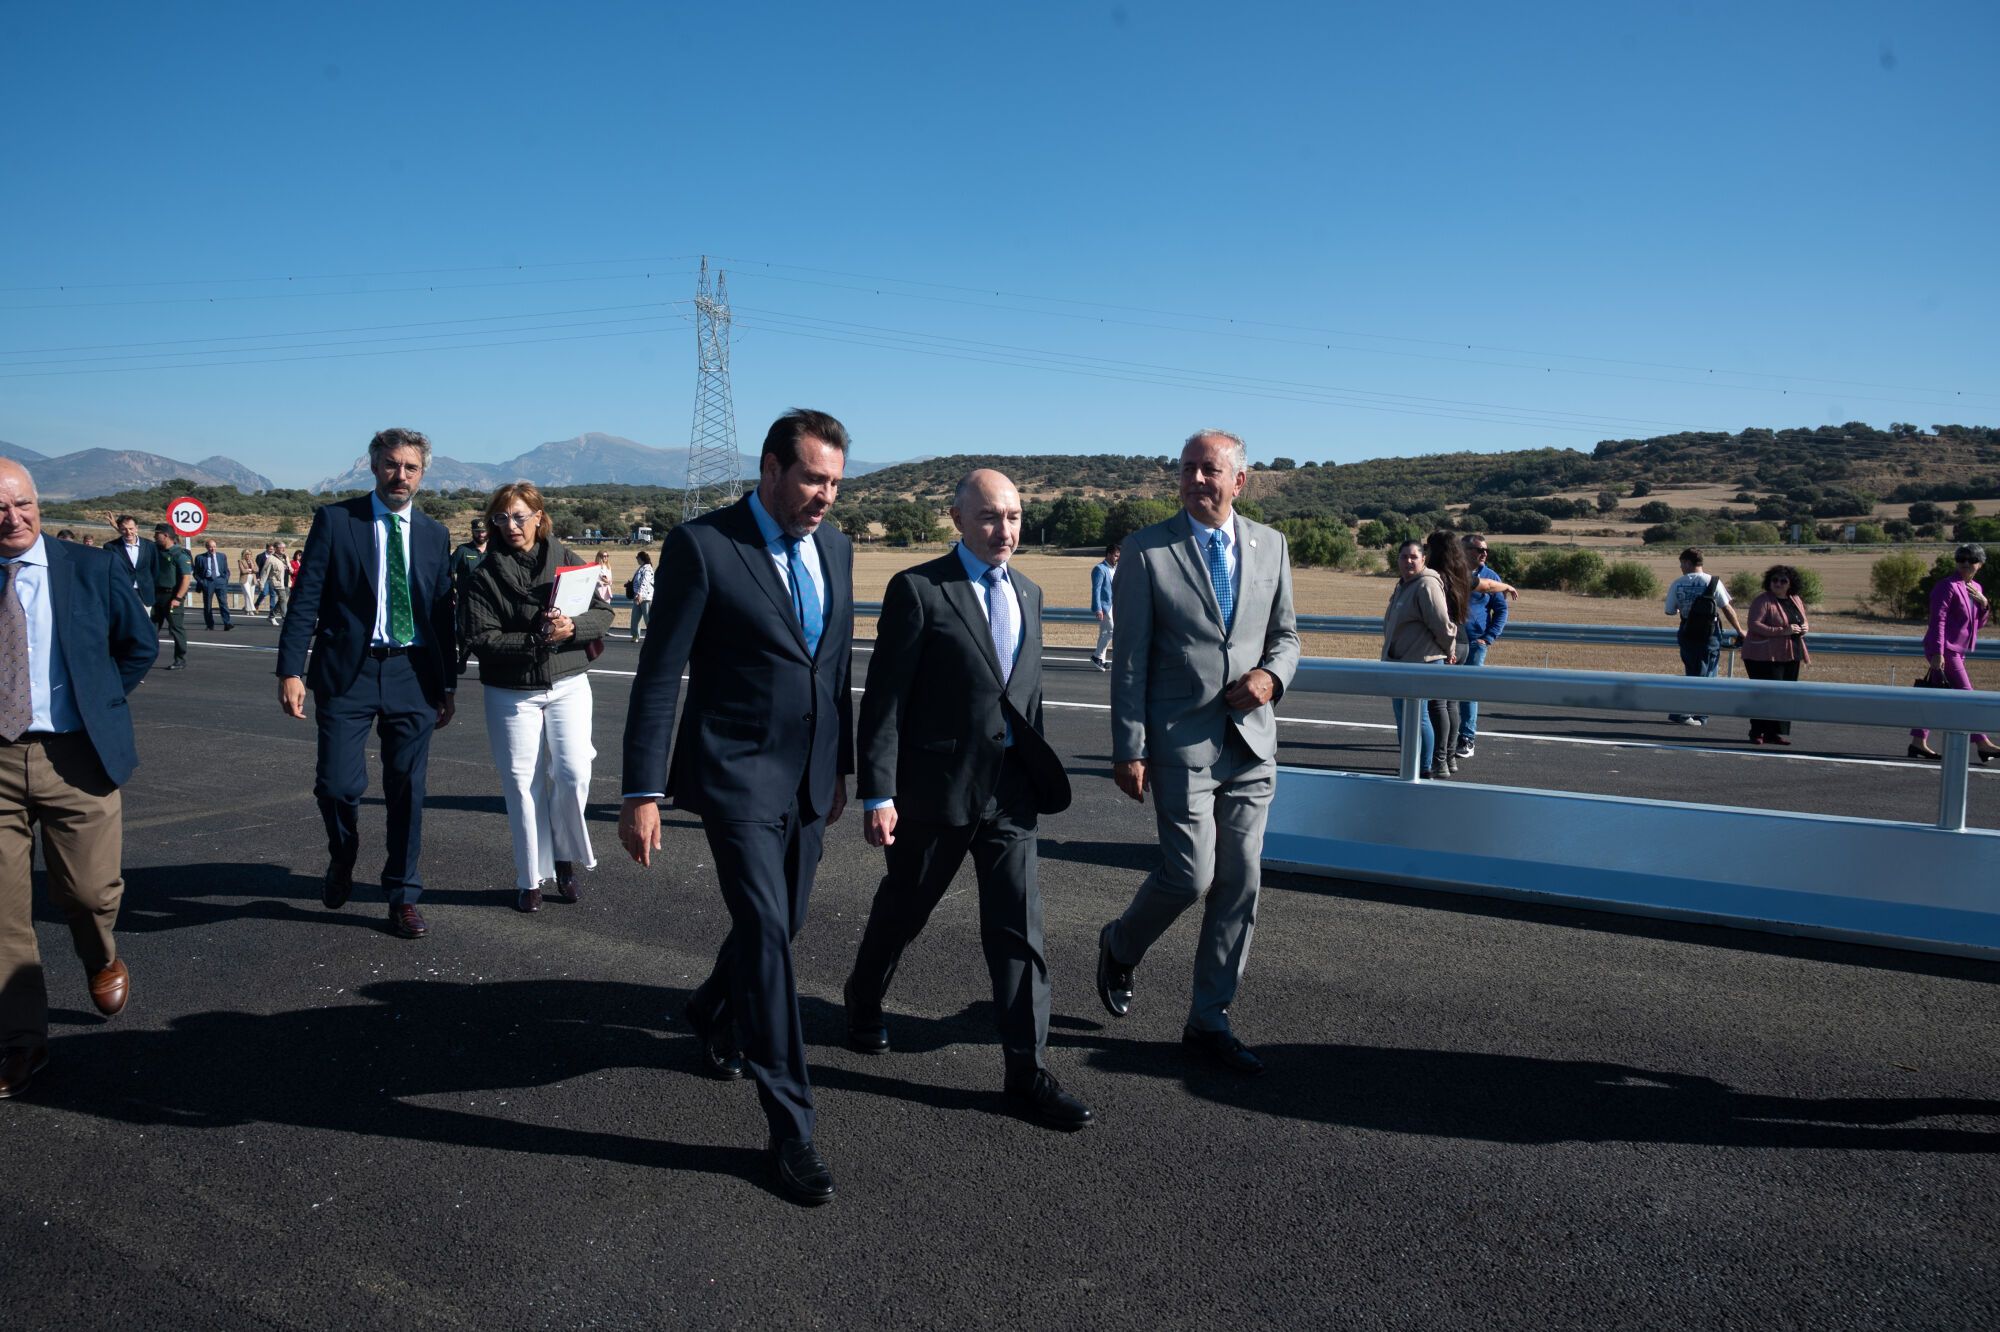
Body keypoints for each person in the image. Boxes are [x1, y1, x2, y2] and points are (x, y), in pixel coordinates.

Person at [619, 408, 855, 1205]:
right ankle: (792, 1128)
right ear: (770, 469)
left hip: (811, 781)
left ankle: (711, 1010)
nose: (825, 496)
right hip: (735, 778)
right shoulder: (704, 547)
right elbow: (660, 677)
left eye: (835, 482)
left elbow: (834, 668)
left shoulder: (837, 547)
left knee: (781, 923)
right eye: (813, 479)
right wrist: (642, 792)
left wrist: (845, 770)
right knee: (767, 936)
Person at [845, 469, 1088, 1130]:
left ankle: (1026, 1069)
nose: (1003, 529)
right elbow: (887, 700)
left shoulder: (1031, 594)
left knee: (1018, 931)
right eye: (988, 517)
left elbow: (1025, 699)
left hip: (1010, 794)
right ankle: (864, 998)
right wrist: (879, 792)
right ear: (957, 518)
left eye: (1012, 516)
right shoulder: (920, 590)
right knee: (905, 909)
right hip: (935, 792)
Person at [1095, 429, 1300, 1077]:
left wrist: (1272, 677)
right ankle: (1121, 943)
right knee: (1191, 875)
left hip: (1252, 742)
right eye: (1188, 469)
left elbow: (1287, 637)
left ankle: (1209, 1019)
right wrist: (1129, 748)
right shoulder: (1147, 551)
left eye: (1210, 470)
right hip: (1180, 741)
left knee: (1240, 880)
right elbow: (1127, 663)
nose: (1196, 479)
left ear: (1240, 481)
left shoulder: (1272, 545)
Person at [0, 460, 157, 1099]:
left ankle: (100, 956)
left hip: (78, 758)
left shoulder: (90, 569)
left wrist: (100, 702)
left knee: (88, 895)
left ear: (39, 504)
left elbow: (138, 646)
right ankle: (20, 1042)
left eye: (22, 505)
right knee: (4, 913)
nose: (11, 519)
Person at [277, 428, 457, 940]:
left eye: (411, 468)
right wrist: (291, 669)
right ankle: (343, 853)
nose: (400, 476)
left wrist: (448, 686)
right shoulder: (336, 521)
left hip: (413, 675)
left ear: (422, 473)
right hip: (347, 675)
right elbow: (306, 598)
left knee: (408, 792)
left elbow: (441, 617)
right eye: (391, 465)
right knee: (336, 785)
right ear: (373, 465)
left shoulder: (433, 534)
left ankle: (402, 894)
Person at [461, 482, 611, 912]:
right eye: (501, 518)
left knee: (573, 773)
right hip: (511, 690)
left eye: (520, 516)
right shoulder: (483, 575)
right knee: (521, 784)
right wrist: (534, 641)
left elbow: (601, 612)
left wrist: (572, 629)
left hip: (567, 683)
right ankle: (530, 877)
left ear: (540, 517)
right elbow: (479, 636)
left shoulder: (566, 559)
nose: (511, 526)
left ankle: (564, 857)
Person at [1909, 544, 1997, 763]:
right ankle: (1982, 743)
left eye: (1971, 559)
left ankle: (1918, 743)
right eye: (1961, 559)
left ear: (1980, 564)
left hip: (1958, 649)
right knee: (1966, 696)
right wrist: (1938, 652)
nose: (1966, 563)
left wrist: (1984, 604)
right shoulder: (1946, 586)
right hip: (1944, 650)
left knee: (1935, 696)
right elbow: (1937, 620)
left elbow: (1978, 624)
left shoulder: (1975, 587)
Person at [1382, 539, 1456, 777]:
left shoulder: (1426, 584)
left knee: (1419, 718)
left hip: (1421, 663)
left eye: (1414, 557)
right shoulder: (1404, 584)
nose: (1408, 561)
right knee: (1404, 719)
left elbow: (1441, 624)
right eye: (1404, 557)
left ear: (1423, 559)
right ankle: (1409, 764)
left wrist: (1450, 650)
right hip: (1399, 664)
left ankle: (1423, 768)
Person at [1664, 548, 1744, 727]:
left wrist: (1684, 607)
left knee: (1692, 671)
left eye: (1681, 563)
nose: (1680, 567)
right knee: (1707, 673)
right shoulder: (1713, 581)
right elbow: (1727, 608)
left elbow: (1669, 610)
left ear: (1687, 562)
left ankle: (1693, 713)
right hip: (1710, 634)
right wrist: (1740, 630)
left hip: (1687, 632)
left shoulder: (1677, 583)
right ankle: (1690, 713)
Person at [1454, 533, 1509, 761]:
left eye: (1486, 550)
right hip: (1451, 643)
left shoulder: (1490, 576)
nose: (1484, 553)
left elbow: (1502, 610)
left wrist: (1488, 638)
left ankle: (1467, 737)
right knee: (1440, 690)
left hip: (1476, 643)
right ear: (1465, 551)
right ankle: (1441, 737)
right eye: (1479, 550)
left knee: (1468, 692)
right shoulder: (1452, 573)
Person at [1741, 565, 1810, 746]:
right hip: (1762, 656)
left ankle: (1773, 733)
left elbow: (1802, 620)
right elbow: (1754, 624)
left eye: (1783, 581)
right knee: (1765, 695)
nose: (1778, 584)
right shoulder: (1762, 601)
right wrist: (1782, 631)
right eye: (1775, 580)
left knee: (1784, 695)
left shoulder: (1795, 599)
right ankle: (1757, 731)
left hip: (1790, 653)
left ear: (1791, 584)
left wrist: (1804, 628)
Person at [1422, 531, 1471, 777]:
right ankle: (1450, 758)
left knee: (1436, 704)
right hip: (1463, 641)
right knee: (1451, 703)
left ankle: (1438, 760)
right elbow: (1487, 585)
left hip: (1447, 644)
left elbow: (1438, 620)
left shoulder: (1435, 578)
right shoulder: (1462, 574)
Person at [149, 524, 192, 672]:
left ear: (166, 535)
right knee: (151, 629)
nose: (155, 537)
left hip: (172, 596)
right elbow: (136, 541)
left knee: (176, 629)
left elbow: (186, 578)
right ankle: (147, 658)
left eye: (157, 534)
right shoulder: (155, 549)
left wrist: (178, 598)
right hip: (157, 596)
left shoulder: (179, 554)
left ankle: (180, 659)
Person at [1089, 540, 1120, 670]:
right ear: (1108, 555)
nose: (1117, 558)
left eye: (1118, 555)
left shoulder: (1114, 568)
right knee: (1111, 631)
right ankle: (1096, 656)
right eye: (1115, 555)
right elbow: (1096, 589)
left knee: (1104, 633)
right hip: (1104, 606)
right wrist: (1098, 608)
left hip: (1113, 605)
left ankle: (1102, 659)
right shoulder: (1100, 569)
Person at [110, 515, 155, 602]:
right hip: (122, 593)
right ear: (119, 529)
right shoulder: (111, 547)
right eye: (124, 529)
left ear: (136, 528)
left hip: (145, 594)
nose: (128, 532)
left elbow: (155, 569)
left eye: (131, 528)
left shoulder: (149, 545)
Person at [194, 538, 234, 631]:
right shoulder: (200, 558)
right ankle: (209, 625)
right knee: (208, 605)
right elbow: (196, 573)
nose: (213, 549)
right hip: (207, 582)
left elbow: (226, 570)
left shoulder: (222, 556)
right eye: (210, 547)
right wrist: (202, 582)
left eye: (214, 547)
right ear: (206, 547)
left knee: (223, 603)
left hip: (220, 581)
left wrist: (225, 580)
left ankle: (227, 623)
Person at [448, 517, 488, 591]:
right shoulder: (462, 550)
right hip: (466, 598)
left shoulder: (493, 551)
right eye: (477, 532)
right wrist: (452, 591)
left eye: (483, 531)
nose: (481, 534)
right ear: (472, 532)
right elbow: (450, 572)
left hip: (489, 597)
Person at [259, 541, 291, 625]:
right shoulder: (270, 559)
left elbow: (289, 567)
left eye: (284, 547)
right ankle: (285, 618)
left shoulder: (285, 556)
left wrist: (290, 568)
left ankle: (271, 616)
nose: (283, 549)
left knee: (282, 600)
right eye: (281, 547)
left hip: (286, 581)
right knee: (283, 599)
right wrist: (261, 584)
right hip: (276, 582)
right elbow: (264, 572)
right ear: (276, 549)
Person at [629, 550, 655, 641]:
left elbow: (645, 582)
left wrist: (640, 594)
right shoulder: (641, 568)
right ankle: (635, 635)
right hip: (637, 596)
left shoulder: (648, 569)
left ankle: (652, 636)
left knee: (648, 618)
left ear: (641, 558)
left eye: (637, 558)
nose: (636, 559)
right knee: (635, 618)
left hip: (646, 597)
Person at [237, 548, 260, 614]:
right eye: (247, 554)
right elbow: (243, 571)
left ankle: (248, 610)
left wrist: (250, 569)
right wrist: (251, 570)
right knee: (248, 593)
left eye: (250, 554)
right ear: (244, 555)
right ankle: (253, 608)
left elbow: (257, 569)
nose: (248, 556)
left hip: (252, 579)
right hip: (244, 579)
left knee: (251, 595)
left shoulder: (253, 561)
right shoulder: (241, 561)